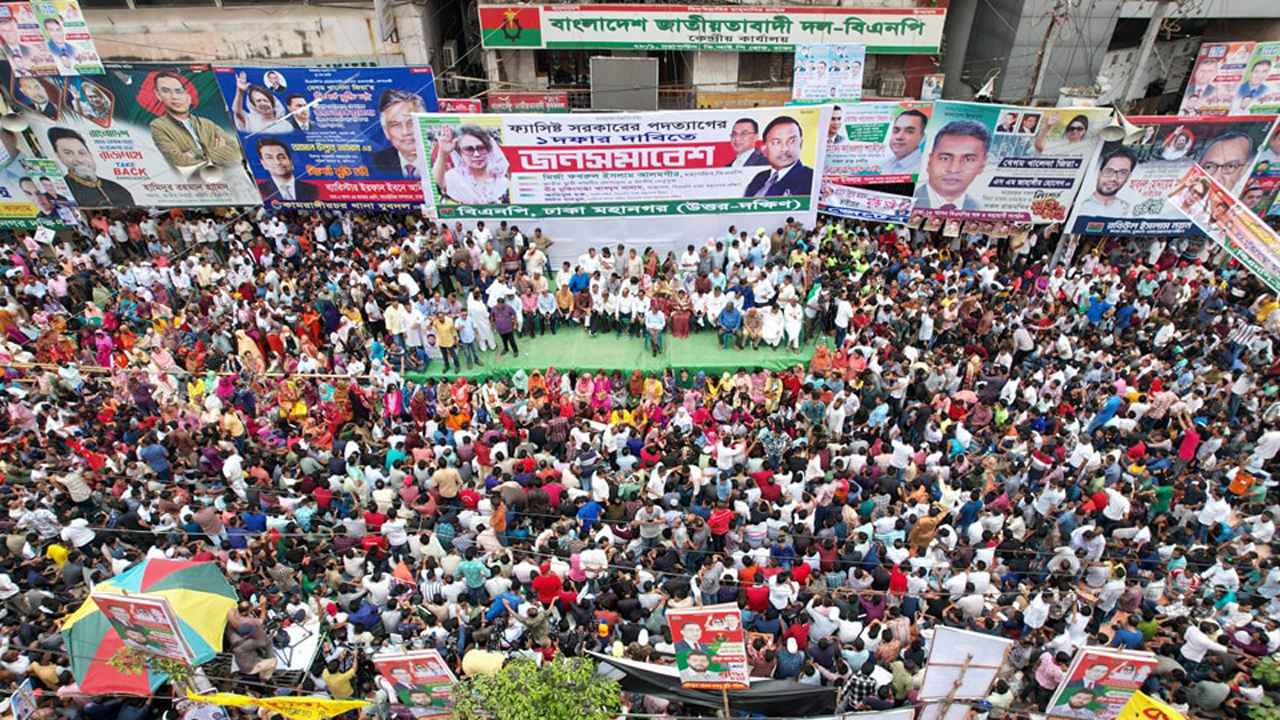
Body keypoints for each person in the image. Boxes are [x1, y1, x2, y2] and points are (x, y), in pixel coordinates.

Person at [147, 70, 244, 173]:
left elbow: (236, 152)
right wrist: (219, 151)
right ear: (158, 95)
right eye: (166, 91)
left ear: (188, 97)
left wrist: (195, 154)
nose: (174, 97)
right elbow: (178, 160)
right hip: (193, 181)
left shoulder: (207, 124)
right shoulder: (158, 126)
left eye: (178, 91)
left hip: (228, 178)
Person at [47, 126, 135, 207]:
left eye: (82, 153)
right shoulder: (63, 192)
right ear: (58, 156)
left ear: (90, 154)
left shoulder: (118, 189)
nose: (79, 159)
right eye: (68, 153)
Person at [914, 120, 989, 211]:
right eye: (945, 158)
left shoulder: (982, 211)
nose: (954, 169)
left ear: (982, 165)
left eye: (969, 159)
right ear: (929, 160)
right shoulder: (906, 199)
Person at [432, 125, 509, 204]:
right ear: (460, 153)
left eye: (481, 148)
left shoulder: (502, 180)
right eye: (469, 149)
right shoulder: (454, 177)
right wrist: (442, 152)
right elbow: (439, 182)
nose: (476, 154)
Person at [743, 115, 814, 197]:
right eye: (776, 142)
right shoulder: (759, 177)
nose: (785, 149)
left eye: (792, 141)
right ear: (764, 149)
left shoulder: (810, 178)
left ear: (801, 144)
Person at [371, 88, 427, 179]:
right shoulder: (376, 162)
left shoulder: (444, 157)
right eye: (396, 125)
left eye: (412, 122)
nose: (406, 132)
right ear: (386, 132)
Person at [1074, 146, 1136, 217]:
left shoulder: (1128, 210)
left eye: (1122, 173)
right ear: (1099, 173)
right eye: (1109, 171)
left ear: (1128, 177)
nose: (1113, 178)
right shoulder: (1079, 206)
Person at [254, 137, 317, 202]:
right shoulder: (258, 190)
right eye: (270, 158)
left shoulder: (312, 190)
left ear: (290, 160)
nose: (277, 162)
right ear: (263, 163)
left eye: (281, 157)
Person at [881, 109, 927, 175]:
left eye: (909, 132)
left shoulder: (924, 168)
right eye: (896, 130)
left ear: (922, 136)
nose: (899, 137)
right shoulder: (886, 164)